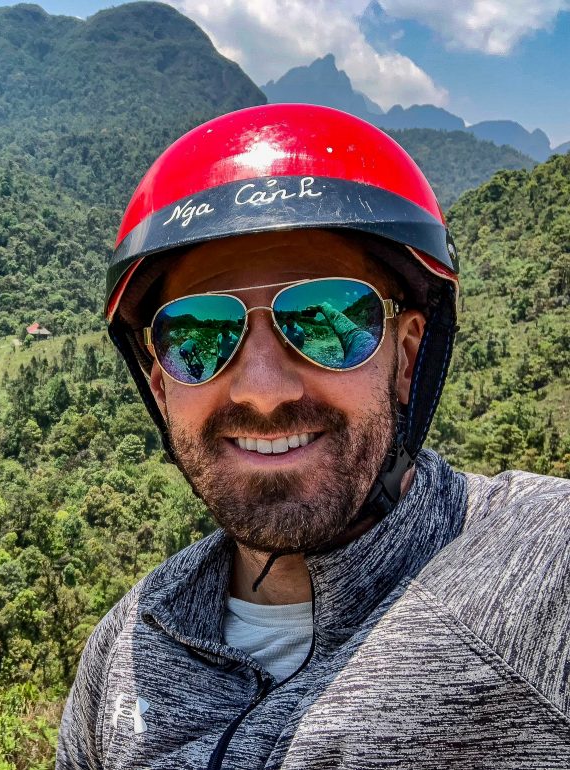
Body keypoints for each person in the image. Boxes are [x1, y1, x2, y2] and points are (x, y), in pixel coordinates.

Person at [57, 104, 570, 769]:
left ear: (407, 355)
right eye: (199, 337)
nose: (263, 389)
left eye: (327, 320)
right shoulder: (129, 644)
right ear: (160, 385)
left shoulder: (543, 572)